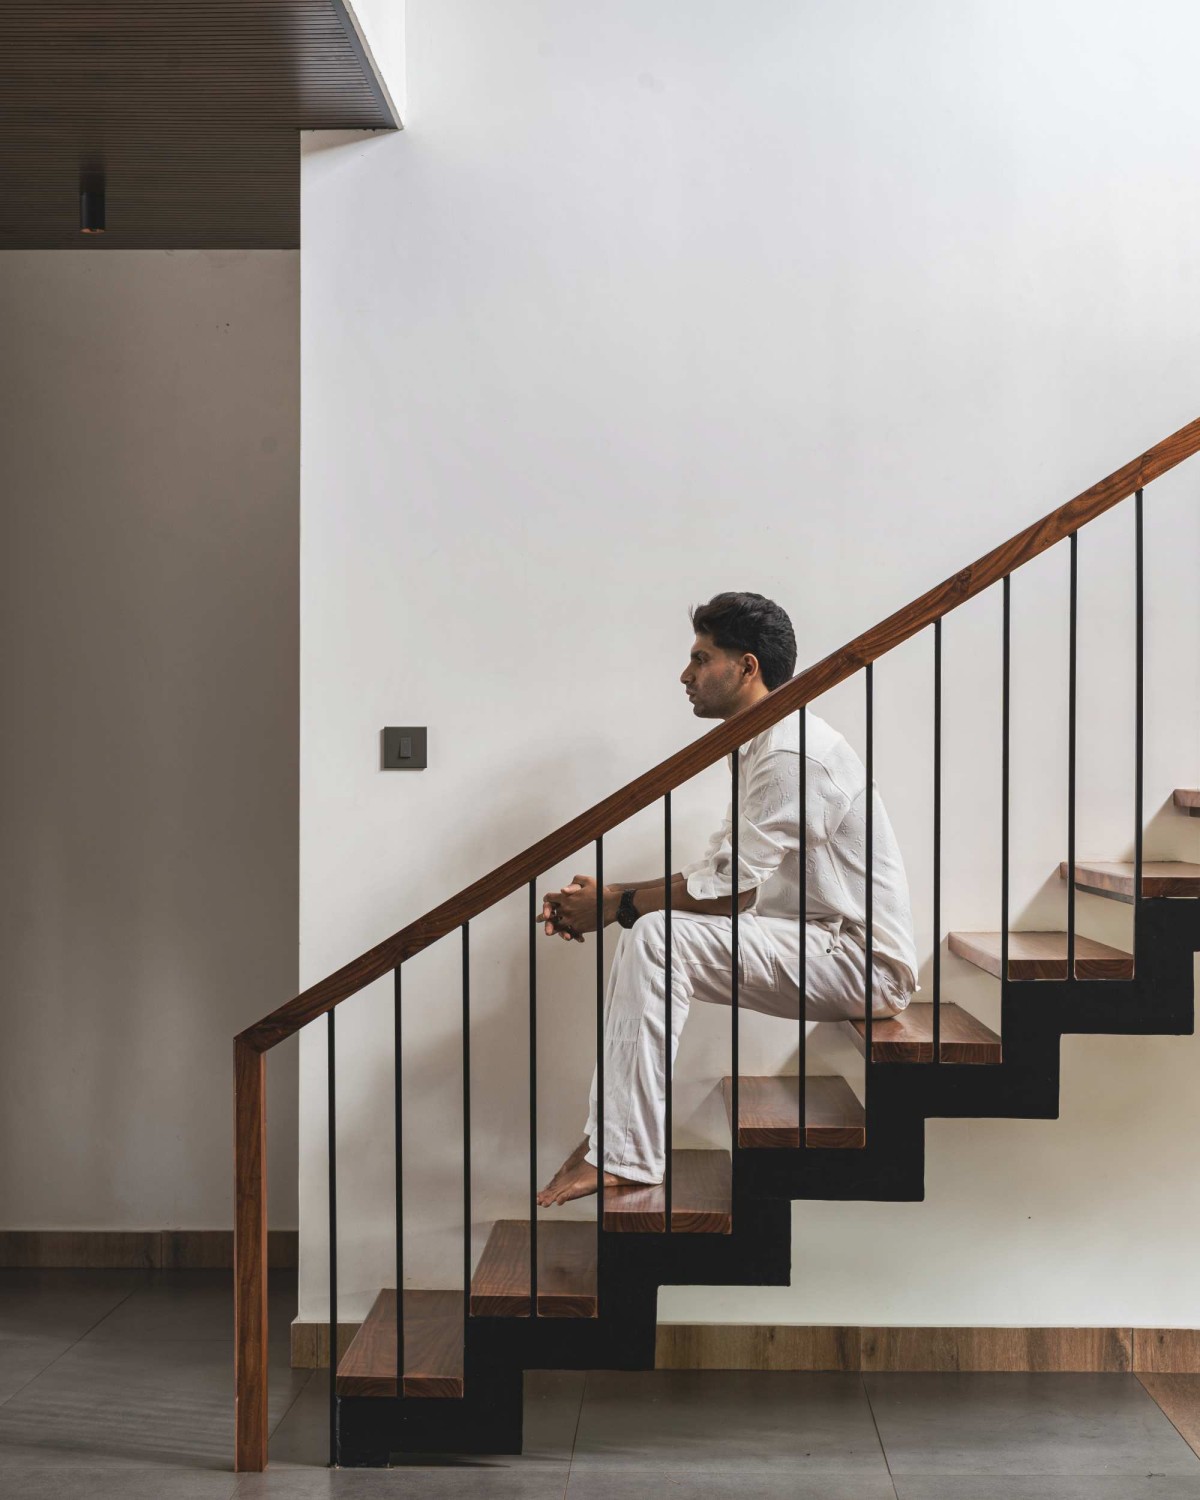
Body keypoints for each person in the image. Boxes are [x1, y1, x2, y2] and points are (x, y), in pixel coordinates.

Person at [536, 591, 918, 1207]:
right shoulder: (763, 743)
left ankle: (625, 1156)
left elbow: (729, 893)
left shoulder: (794, 753)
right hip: (816, 940)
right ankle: (616, 1146)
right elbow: (723, 876)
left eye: (700, 658)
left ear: (747, 667)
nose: (685, 675)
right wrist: (617, 899)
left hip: (862, 962)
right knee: (652, 931)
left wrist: (614, 902)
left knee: (656, 935)